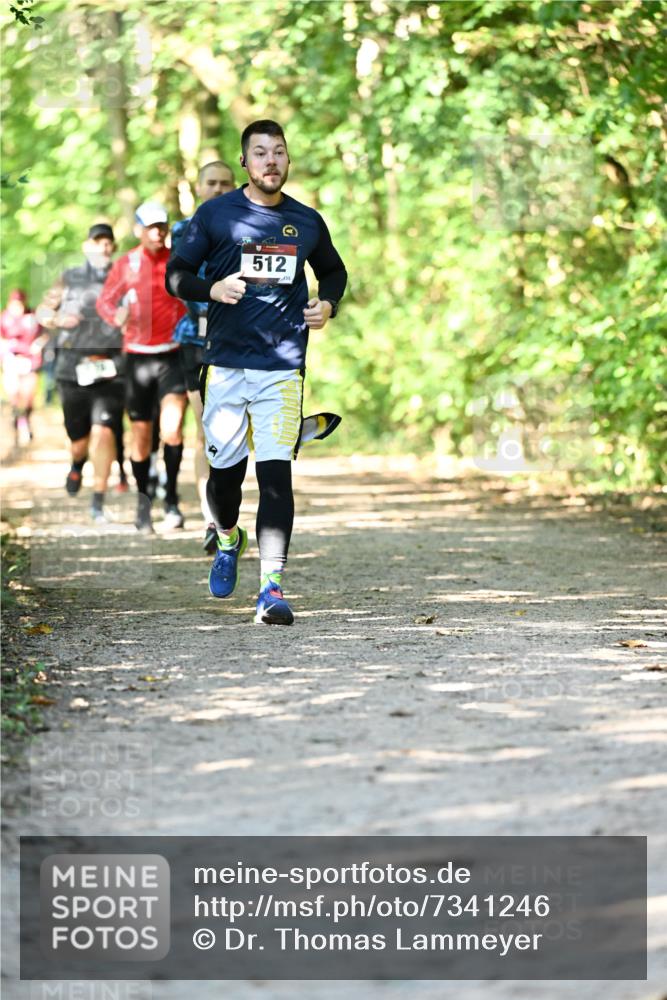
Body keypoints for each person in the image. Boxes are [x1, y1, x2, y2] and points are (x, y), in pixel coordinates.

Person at [166, 119, 347, 625]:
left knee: (275, 477)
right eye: (261, 153)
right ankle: (228, 537)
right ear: (245, 162)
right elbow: (176, 275)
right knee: (225, 482)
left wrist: (327, 304)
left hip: (283, 367)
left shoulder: (306, 221)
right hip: (225, 365)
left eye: (279, 151)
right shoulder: (216, 215)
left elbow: (334, 271)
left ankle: (271, 588)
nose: (271, 161)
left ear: (288, 159)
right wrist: (211, 289)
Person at [97, 202, 187, 532]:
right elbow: (105, 302)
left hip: (172, 355)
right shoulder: (127, 264)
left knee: (172, 429)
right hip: (137, 358)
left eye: (161, 226)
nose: (157, 232)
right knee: (141, 436)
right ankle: (143, 504)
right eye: (150, 227)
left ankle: (172, 500)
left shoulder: (178, 260)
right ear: (138, 230)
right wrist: (115, 315)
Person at [36, 224, 125, 521]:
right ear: (88, 246)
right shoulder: (69, 277)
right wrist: (59, 319)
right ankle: (77, 464)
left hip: (110, 367)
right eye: (98, 242)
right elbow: (43, 312)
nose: (104, 247)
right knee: (79, 441)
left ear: (113, 248)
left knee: (104, 431)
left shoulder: (123, 277)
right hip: (71, 367)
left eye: (108, 243)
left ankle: (98, 499)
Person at [171, 160, 236, 553]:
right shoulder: (184, 230)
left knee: (234, 436)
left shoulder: (250, 229)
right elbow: (179, 281)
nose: (218, 189)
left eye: (225, 183)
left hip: (239, 343)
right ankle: (211, 518)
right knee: (206, 431)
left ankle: (227, 511)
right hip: (195, 342)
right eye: (210, 183)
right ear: (198, 188)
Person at [0, 289, 43, 446]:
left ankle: (26, 420)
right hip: (12, 361)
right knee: (14, 394)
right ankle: (18, 423)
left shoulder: (32, 317)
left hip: (29, 361)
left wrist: (38, 345)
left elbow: (43, 334)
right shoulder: (4, 318)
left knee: (28, 396)